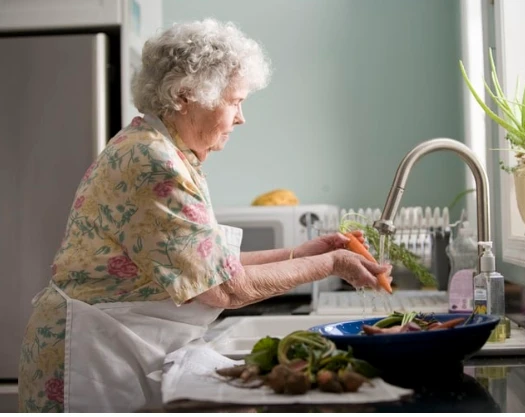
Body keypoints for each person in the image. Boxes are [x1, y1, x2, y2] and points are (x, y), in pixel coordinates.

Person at [18, 18, 391, 413]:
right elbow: (224, 289)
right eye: (234, 101)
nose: (241, 117)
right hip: (91, 356)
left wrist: (302, 254)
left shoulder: (164, 151)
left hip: (115, 344)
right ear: (186, 95)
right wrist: (331, 263)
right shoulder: (152, 162)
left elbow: (205, 267)